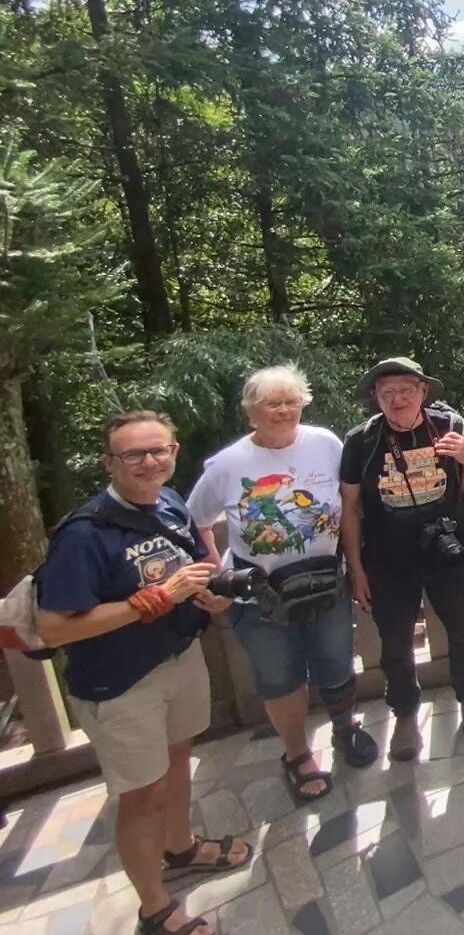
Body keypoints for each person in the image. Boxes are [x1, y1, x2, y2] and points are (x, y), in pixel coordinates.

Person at [36, 412, 251, 935]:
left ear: (174, 452)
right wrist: (157, 599)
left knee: (179, 762)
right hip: (121, 683)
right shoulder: (86, 534)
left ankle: (180, 847)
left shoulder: (171, 504)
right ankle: (154, 909)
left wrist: (207, 595)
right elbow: (54, 628)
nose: (149, 462)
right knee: (140, 796)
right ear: (110, 462)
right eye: (134, 454)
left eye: (159, 451)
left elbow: (197, 564)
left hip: (178, 657)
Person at [188, 366, 377, 806]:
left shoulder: (326, 443)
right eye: (272, 403)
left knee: (336, 659)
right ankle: (298, 754)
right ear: (251, 411)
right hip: (261, 593)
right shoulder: (228, 464)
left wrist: (356, 562)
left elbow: (350, 502)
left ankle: (346, 727)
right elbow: (195, 519)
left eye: (292, 400)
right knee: (280, 677)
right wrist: (216, 573)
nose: (284, 410)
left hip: (324, 578)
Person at [340, 358, 464, 760]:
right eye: (387, 393)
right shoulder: (361, 442)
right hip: (387, 559)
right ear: (376, 399)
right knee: (395, 641)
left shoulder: (449, 426)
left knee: (463, 627)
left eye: (406, 389)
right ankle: (405, 712)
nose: (398, 399)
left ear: (423, 391)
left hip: (446, 549)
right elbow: (349, 507)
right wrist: (355, 568)